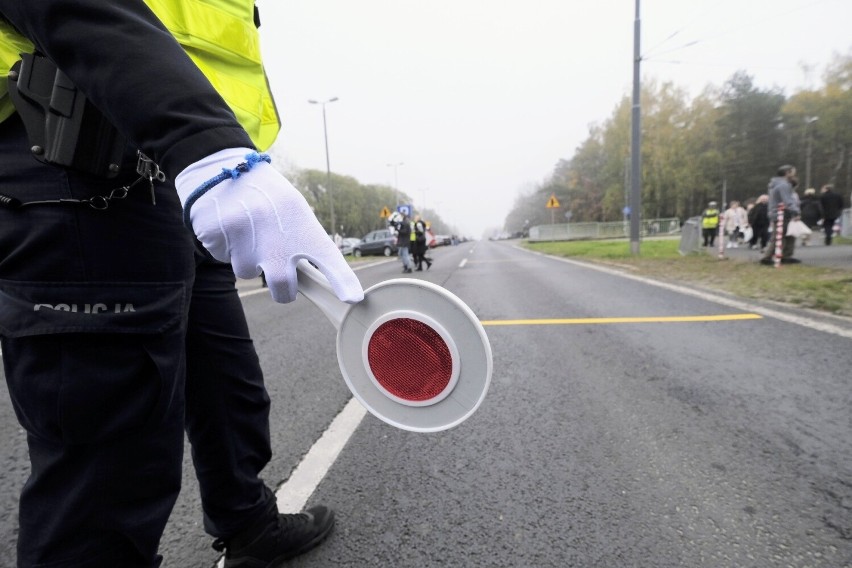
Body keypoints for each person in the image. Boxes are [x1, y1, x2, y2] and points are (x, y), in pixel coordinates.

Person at [0, 3, 363, 567]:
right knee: (107, 475)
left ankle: (247, 521)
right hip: (77, 160)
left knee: (230, 386)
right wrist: (205, 142)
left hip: (181, 181)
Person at [760, 165, 801, 265]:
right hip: (782, 213)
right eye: (792, 172)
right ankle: (768, 257)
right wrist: (795, 211)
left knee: (789, 235)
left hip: (776, 212)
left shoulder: (775, 184)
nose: (794, 175)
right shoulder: (784, 185)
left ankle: (786, 255)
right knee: (779, 236)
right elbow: (787, 200)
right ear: (787, 173)